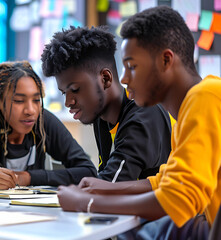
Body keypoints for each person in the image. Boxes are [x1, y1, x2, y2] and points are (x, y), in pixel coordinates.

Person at [57, 6, 221, 238]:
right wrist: (107, 189)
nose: (124, 78)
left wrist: (88, 202)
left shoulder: (205, 96)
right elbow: (165, 181)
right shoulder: (191, 107)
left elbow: (178, 198)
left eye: (132, 66)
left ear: (166, 61)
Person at [41, 26, 172, 182]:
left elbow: (109, 185)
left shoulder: (144, 114)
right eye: (64, 93)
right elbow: (104, 177)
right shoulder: (103, 118)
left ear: (105, 78)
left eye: (75, 89)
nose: (68, 102)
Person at [0, 61, 97, 191]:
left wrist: (28, 177)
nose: (30, 110)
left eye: (36, 100)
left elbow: (88, 171)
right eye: (19, 101)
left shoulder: (42, 121)